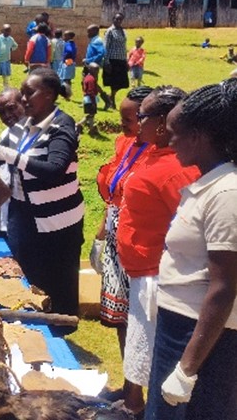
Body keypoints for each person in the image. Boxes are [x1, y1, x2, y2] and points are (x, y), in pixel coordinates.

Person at [145, 79, 237, 420]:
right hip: (178, 326)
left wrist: (187, 368)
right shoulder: (206, 185)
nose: (169, 142)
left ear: (198, 136)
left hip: (202, 337)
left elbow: (224, 287)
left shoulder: (227, 194)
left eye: (174, 133)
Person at [116, 86, 199, 417]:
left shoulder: (178, 169)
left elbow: (189, 227)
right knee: (144, 353)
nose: (136, 122)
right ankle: (137, 404)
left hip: (158, 277)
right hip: (142, 273)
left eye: (142, 116)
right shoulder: (150, 153)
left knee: (159, 361)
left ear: (164, 123)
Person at [0, 68, 84, 317]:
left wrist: (9, 155)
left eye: (29, 93)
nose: (23, 99)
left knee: (54, 286)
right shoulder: (26, 125)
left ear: (48, 95)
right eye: (23, 93)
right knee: (23, 277)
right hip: (23, 215)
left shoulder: (61, 126)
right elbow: (0, 154)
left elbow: (54, 170)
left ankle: (57, 341)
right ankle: (28, 326)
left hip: (55, 223)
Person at [90, 85, 153, 408]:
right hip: (116, 238)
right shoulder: (126, 144)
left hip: (142, 245)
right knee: (121, 320)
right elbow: (112, 194)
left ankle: (141, 398)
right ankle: (131, 389)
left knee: (142, 323)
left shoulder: (162, 153)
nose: (125, 124)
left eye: (130, 119)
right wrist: (101, 236)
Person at [0, 88, 26, 237]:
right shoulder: (5, 135)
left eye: (11, 108)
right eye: (1, 112)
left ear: (24, 104)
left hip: (28, 222)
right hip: (5, 220)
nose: (7, 115)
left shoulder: (37, 136)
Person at [103, 13, 129, 109]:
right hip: (112, 60)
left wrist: (126, 61)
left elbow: (124, 46)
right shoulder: (110, 31)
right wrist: (106, 62)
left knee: (123, 83)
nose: (118, 21)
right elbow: (105, 47)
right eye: (117, 19)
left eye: (120, 20)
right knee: (114, 82)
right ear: (113, 19)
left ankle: (110, 96)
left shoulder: (123, 31)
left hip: (121, 59)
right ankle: (112, 100)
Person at [0, 24, 19, 94]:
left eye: (9, 31)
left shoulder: (10, 39)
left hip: (6, 60)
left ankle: (6, 91)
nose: (8, 32)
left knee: (5, 77)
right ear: (2, 31)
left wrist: (11, 49)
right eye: (6, 31)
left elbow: (15, 46)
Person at [79, 63, 100, 135]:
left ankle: (91, 129)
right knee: (91, 114)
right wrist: (93, 102)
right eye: (96, 70)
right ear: (90, 70)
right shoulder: (91, 79)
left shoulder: (87, 77)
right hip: (90, 99)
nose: (98, 72)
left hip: (87, 98)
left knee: (91, 114)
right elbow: (90, 91)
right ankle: (79, 124)